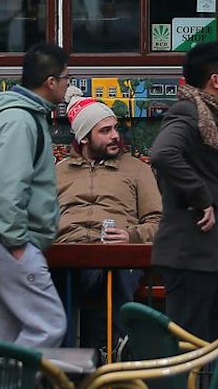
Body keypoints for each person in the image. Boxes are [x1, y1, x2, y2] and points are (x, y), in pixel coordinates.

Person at [151, 42, 218, 339]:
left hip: (214, 254)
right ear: (215, 80)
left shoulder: (213, 117)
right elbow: (162, 153)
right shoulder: (187, 113)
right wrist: (201, 196)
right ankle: (169, 388)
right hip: (190, 253)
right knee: (185, 347)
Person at [0, 44, 68, 348]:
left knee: (7, 335)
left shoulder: (24, 116)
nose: (70, 85)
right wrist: (17, 244)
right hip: (7, 241)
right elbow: (7, 187)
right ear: (50, 82)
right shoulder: (19, 121)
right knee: (50, 326)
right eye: (67, 78)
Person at [56, 95, 162, 346]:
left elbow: (159, 221)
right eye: (105, 130)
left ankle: (114, 359)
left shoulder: (137, 169)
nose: (115, 135)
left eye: (115, 128)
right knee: (51, 279)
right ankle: (64, 374)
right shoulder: (58, 172)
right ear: (84, 138)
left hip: (117, 258)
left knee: (116, 273)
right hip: (69, 256)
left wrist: (131, 236)